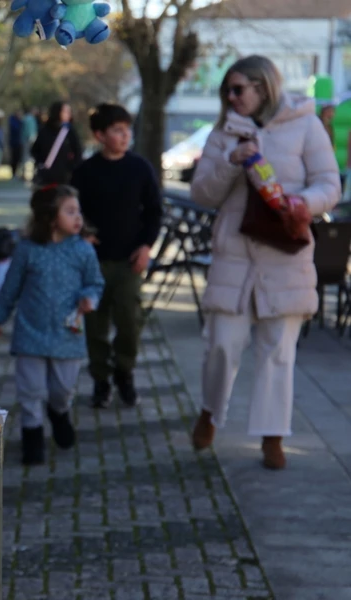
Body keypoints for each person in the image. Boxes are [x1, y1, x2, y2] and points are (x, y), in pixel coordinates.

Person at [189, 55, 340, 470]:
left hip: (285, 253)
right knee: (221, 345)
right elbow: (202, 193)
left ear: (264, 86)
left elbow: (329, 183)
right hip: (235, 253)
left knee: (279, 351)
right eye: (227, 91)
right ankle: (210, 412)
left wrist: (302, 202)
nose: (231, 98)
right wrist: (230, 164)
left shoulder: (305, 124)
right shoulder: (224, 132)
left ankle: (273, 436)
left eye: (239, 89)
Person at [0, 185, 105, 464]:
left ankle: (59, 412)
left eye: (78, 212)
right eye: (70, 211)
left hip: (68, 333)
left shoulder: (83, 251)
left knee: (62, 389)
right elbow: (11, 287)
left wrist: (90, 298)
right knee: (30, 390)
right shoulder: (28, 250)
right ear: (51, 217)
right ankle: (33, 436)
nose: (78, 218)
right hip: (30, 332)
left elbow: (95, 283)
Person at [70, 103, 162, 409]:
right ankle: (100, 380)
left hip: (129, 261)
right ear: (99, 135)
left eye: (128, 130)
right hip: (93, 264)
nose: (125, 136)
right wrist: (82, 233)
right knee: (95, 327)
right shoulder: (85, 172)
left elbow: (154, 213)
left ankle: (125, 373)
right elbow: (71, 212)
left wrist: (147, 246)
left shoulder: (140, 168)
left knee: (130, 322)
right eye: (117, 130)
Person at [30, 101, 83, 188]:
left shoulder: (69, 131)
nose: (68, 114)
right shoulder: (45, 130)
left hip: (65, 177)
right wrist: (41, 164)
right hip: (47, 177)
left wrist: (71, 168)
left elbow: (78, 152)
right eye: (65, 111)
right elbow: (35, 150)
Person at [8, 110, 24, 177]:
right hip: (14, 143)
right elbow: (16, 129)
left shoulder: (17, 121)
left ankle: (17, 172)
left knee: (18, 158)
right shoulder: (13, 121)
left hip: (19, 142)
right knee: (14, 158)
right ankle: (14, 172)